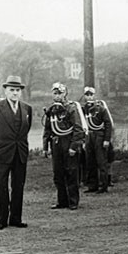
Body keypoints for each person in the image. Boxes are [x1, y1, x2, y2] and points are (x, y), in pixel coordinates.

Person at [0, 75, 32, 230]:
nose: (15, 93)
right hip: (2, 153)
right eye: (11, 90)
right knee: (1, 186)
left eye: (17, 90)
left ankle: (16, 218)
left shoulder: (27, 108)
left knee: (18, 186)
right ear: (5, 91)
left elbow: (26, 129)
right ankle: (2, 220)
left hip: (20, 153)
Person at [43, 82, 85, 210]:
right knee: (58, 173)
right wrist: (45, 147)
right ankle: (62, 201)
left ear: (65, 94)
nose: (57, 96)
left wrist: (73, 146)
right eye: (55, 93)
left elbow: (78, 129)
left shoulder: (71, 108)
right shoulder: (52, 110)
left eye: (60, 93)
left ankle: (73, 201)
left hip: (69, 141)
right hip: (56, 143)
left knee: (71, 172)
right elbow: (47, 130)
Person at [82, 86, 113, 193]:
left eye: (91, 95)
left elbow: (108, 124)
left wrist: (106, 139)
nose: (89, 97)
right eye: (87, 95)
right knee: (90, 161)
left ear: (94, 96)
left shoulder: (101, 109)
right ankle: (92, 185)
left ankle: (103, 186)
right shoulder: (84, 109)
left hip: (99, 135)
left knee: (101, 161)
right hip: (89, 136)